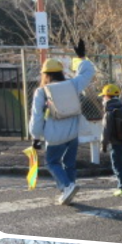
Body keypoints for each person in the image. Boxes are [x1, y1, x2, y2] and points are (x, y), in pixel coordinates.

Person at [30, 39, 96, 206]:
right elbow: (88, 72)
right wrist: (81, 57)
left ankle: (67, 186)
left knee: (52, 162)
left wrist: (36, 136)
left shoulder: (41, 91)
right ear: (60, 72)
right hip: (73, 133)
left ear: (45, 74)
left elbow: (37, 115)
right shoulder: (72, 84)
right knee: (69, 163)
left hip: (55, 135)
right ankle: (70, 188)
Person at [99, 82, 122, 197]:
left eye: (103, 96)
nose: (102, 99)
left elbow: (106, 131)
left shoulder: (109, 112)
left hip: (115, 143)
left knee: (117, 166)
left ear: (107, 96)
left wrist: (103, 145)